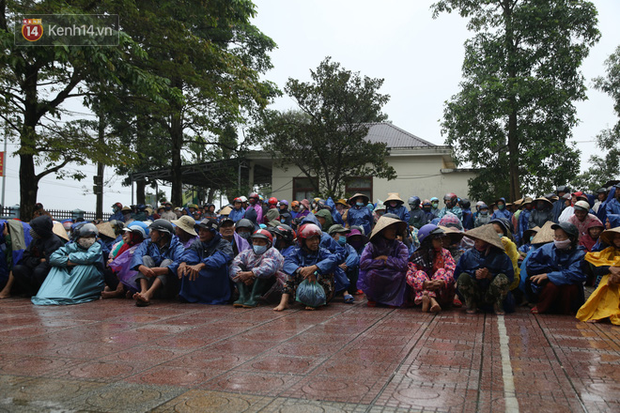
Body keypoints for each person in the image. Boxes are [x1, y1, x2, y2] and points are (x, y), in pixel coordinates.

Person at [31, 223, 105, 305]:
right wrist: (67, 262)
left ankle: (68, 294)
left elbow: (88, 257)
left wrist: (70, 257)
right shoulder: (71, 246)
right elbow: (53, 258)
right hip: (72, 274)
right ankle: (50, 293)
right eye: (86, 237)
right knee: (58, 267)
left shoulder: (96, 246)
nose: (89, 239)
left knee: (83, 267)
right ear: (78, 238)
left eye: (91, 237)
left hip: (92, 277)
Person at [274, 223, 338, 311]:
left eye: (316, 239)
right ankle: (284, 302)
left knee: (326, 273)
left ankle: (315, 302)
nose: (315, 242)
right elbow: (287, 264)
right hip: (302, 288)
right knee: (291, 275)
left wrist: (315, 268)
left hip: (322, 292)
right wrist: (301, 270)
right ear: (303, 241)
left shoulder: (323, 252)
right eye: (311, 239)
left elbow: (333, 260)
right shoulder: (296, 252)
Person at [526, 222, 586, 315]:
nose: (557, 239)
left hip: (568, 284)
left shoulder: (579, 254)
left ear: (572, 238)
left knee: (570, 287)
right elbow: (531, 264)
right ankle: (542, 307)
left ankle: (568, 310)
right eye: (556, 236)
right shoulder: (547, 248)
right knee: (551, 286)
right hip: (548, 284)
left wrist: (550, 275)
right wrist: (548, 271)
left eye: (561, 237)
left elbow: (576, 273)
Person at [455, 224, 514, 315]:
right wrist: (474, 274)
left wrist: (490, 276)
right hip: (474, 292)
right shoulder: (467, 255)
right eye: (476, 238)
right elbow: (457, 274)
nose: (476, 241)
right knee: (463, 277)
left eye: (480, 238)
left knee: (502, 278)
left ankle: (497, 304)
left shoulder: (501, 257)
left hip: (492, 292)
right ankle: (471, 303)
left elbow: (510, 277)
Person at [178, 218, 234, 304]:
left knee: (223, 267)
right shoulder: (197, 243)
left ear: (213, 233)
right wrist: (183, 262)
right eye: (200, 230)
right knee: (186, 267)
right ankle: (190, 296)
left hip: (215, 277)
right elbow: (190, 253)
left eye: (205, 231)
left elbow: (220, 257)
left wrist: (202, 264)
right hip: (200, 273)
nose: (201, 233)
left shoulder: (224, 244)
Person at [130, 219, 185, 306]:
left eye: (153, 231)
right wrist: (141, 267)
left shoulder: (177, 246)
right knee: (145, 258)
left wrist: (162, 270)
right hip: (150, 280)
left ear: (162, 234)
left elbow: (180, 261)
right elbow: (137, 254)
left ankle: (149, 293)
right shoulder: (148, 243)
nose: (150, 233)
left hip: (167, 287)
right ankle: (144, 291)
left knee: (167, 262)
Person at [357, 216, 409, 307]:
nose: (393, 231)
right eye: (390, 229)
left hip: (393, 273)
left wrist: (386, 259)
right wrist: (382, 263)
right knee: (371, 274)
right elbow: (363, 263)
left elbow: (404, 264)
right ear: (382, 230)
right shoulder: (371, 245)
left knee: (401, 275)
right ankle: (373, 298)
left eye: (394, 229)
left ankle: (393, 300)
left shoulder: (400, 246)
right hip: (377, 272)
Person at [11, 215, 65, 297]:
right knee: (18, 269)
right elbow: (26, 257)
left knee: (39, 271)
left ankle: (43, 292)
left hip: (46, 274)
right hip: (33, 268)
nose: (32, 231)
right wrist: (38, 260)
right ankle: (30, 292)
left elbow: (50, 262)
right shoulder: (35, 240)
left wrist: (37, 261)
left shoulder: (54, 242)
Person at [407, 224, 455, 313]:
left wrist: (442, 281)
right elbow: (409, 275)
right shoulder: (416, 256)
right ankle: (432, 300)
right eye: (437, 239)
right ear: (428, 241)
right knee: (419, 273)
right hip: (422, 291)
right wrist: (423, 283)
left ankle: (430, 299)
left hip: (441, 293)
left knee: (441, 271)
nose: (441, 241)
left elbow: (452, 270)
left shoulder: (445, 253)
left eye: (441, 238)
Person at [229, 229, 284, 308]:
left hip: (271, 285)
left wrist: (251, 274)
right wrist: (242, 276)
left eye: (261, 242)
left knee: (262, 273)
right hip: (249, 282)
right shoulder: (247, 253)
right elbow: (234, 264)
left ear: (268, 243)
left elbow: (268, 268)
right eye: (255, 241)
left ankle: (255, 298)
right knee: (238, 270)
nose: (257, 244)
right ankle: (244, 296)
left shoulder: (273, 252)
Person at [576, 227, 620, 324]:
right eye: (616, 238)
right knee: (606, 284)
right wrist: (610, 268)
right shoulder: (608, 251)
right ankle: (602, 314)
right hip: (609, 283)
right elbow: (597, 269)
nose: (618, 240)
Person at [102, 222, 148, 298]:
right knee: (107, 273)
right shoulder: (125, 245)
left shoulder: (141, 248)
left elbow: (131, 269)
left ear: (136, 235)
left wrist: (121, 282)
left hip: (134, 277)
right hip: (120, 275)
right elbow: (118, 261)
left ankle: (119, 293)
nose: (126, 235)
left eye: (129, 233)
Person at [328, 224, 359, 304]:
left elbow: (354, 256)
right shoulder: (327, 246)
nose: (344, 236)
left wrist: (346, 265)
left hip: (346, 270)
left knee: (355, 266)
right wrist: (337, 267)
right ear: (333, 236)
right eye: (341, 234)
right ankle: (344, 292)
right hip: (333, 274)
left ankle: (349, 289)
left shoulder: (347, 246)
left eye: (344, 234)